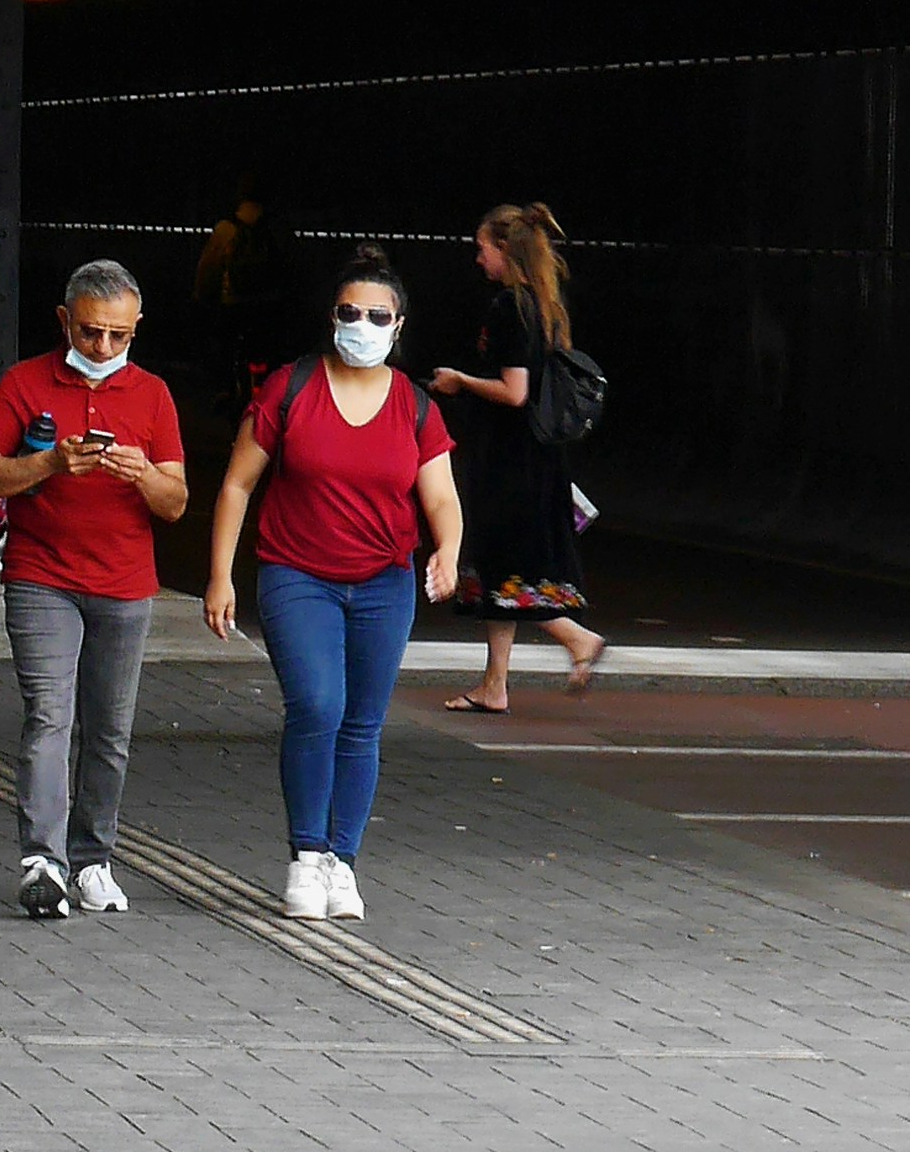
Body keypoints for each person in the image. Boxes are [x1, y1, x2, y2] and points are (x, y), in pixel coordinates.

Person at [202, 251, 466, 923]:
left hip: (384, 582)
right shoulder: (290, 389)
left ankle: (342, 861)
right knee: (317, 706)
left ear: (398, 326)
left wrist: (448, 550)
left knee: (362, 723)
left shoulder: (414, 406)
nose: (362, 325)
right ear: (332, 318)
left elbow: (440, 497)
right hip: (297, 576)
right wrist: (219, 576)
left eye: (377, 316)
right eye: (351, 313)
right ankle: (306, 854)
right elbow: (236, 484)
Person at [0, 259, 187, 918]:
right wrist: (48, 462)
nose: (102, 346)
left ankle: (93, 859)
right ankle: (42, 860)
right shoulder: (25, 381)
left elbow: (175, 502)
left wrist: (142, 474)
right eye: (90, 332)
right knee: (49, 716)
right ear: (64, 320)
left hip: (125, 582)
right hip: (42, 576)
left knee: (109, 730)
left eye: (119, 335)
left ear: (136, 327)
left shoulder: (152, 394)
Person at [428, 201, 607, 711]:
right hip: (538, 458)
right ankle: (495, 685)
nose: (478, 259)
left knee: (504, 567)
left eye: (482, 248)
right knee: (498, 570)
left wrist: (459, 381)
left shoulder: (510, 308)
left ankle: (578, 639)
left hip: (511, 461)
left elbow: (514, 392)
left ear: (504, 249)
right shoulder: (544, 305)